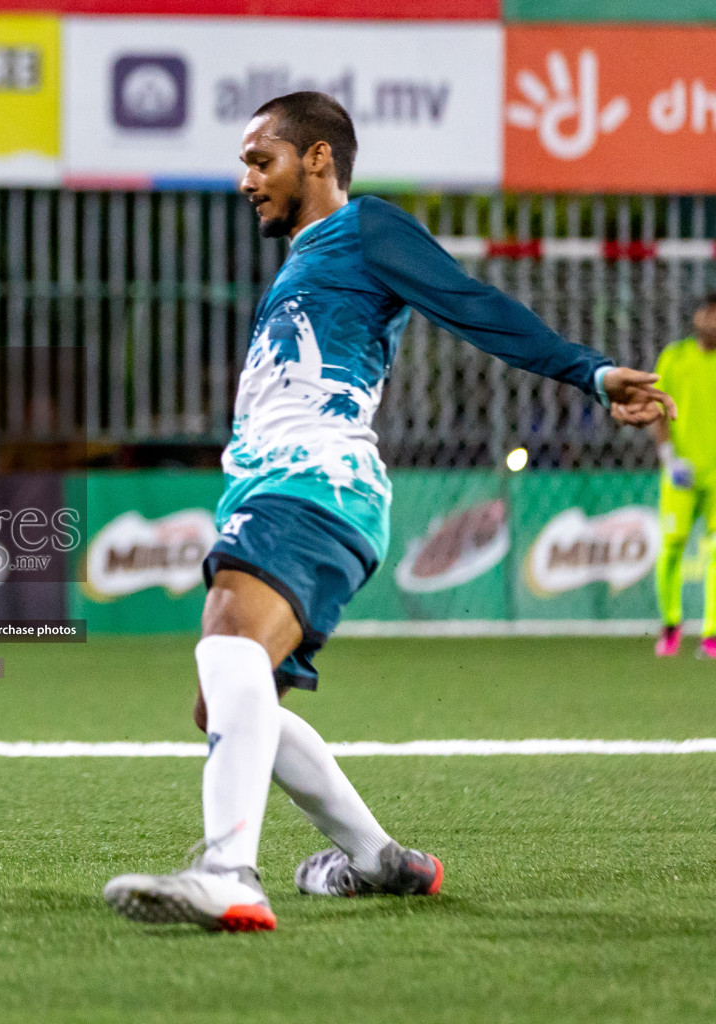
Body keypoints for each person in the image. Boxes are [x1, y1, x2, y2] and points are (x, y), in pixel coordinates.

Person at [102, 92, 674, 932]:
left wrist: (588, 371)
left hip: (315, 481)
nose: (246, 179)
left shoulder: (364, 227)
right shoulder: (306, 258)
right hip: (282, 487)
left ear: (319, 159)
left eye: (262, 159)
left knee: (228, 650)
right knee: (223, 696)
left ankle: (229, 873)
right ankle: (378, 860)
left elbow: (469, 302)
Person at [651, 293, 716, 659]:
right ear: (696, 316)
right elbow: (658, 409)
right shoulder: (674, 358)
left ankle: (712, 634)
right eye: (709, 313)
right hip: (681, 472)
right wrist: (668, 457)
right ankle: (671, 624)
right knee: (671, 547)